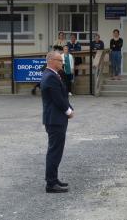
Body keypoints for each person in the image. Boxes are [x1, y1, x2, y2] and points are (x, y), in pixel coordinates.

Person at [40, 51, 74, 193]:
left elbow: (62, 95)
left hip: (56, 118)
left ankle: (53, 179)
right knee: (54, 151)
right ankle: (51, 184)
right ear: (52, 61)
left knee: (56, 150)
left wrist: (69, 107)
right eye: (60, 60)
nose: (62, 63)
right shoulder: (50, 77)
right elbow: (57, 99)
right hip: (55, 119)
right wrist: (68, 111)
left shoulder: (53, 75)